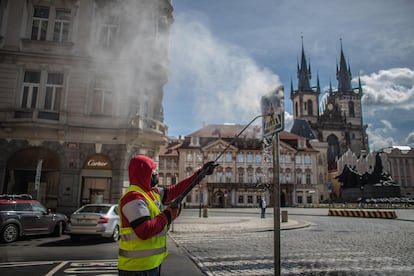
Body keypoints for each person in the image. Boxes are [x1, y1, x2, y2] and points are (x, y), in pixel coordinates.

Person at [118, 154, 217, 275]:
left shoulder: (152, 192)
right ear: (143, 173)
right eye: (152, 170)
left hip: (151, 263)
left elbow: (176, 189)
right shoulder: (133, 197)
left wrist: (200, 174)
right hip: (136, 268)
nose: (156, 173)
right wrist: (168, 215)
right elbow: (145, 230)